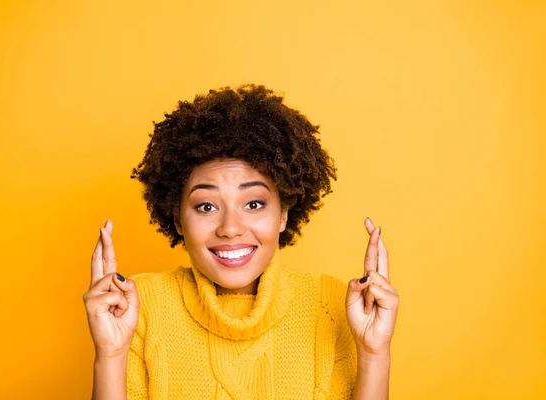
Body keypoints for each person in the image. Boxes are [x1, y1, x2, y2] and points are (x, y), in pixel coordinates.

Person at [83, 84, 399, 399]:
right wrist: (110, 355)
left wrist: (374, 353)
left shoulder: (331, 304)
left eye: (254, 204)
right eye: (206, 206)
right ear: (178, 219)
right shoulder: (140, 307)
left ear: (283, 214)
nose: (231, 228)